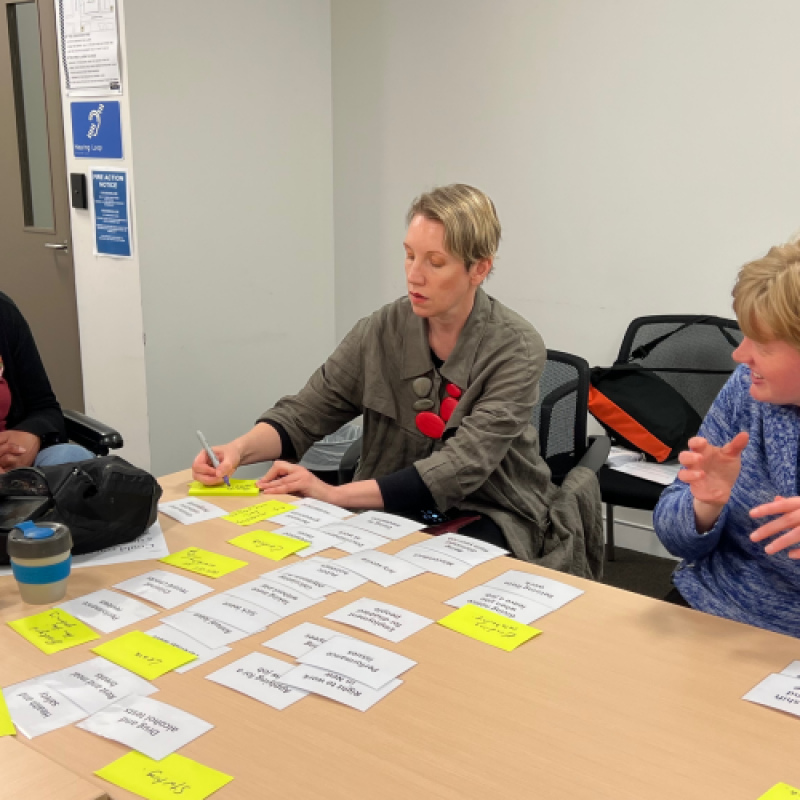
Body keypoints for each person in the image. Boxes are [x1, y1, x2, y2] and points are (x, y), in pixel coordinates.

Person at [193, 184, 602, 575]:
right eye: (409, 256)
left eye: (435, 262)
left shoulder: (515, 346)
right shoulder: (381, 329)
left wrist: (334, 495)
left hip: (491, 508)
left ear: (479, 268)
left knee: (438, 586)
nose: (414, 275)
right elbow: (307, 411)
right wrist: (238, 450)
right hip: (388, 504)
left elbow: (460, 467)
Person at [654, 243, 800, 637]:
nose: (740, 355)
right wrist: (705, 505)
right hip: (714, 603)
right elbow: (675, 537)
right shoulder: (748, 389)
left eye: (763, 345)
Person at [0, 291, 93, 472]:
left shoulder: (4, 313)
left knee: (72, 458)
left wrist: (31, 435)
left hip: (13, 464)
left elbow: (44, 407)